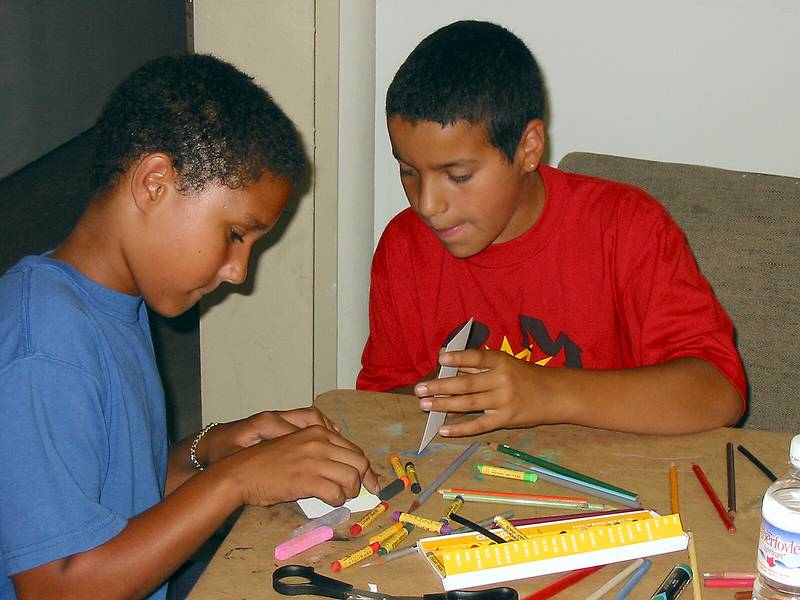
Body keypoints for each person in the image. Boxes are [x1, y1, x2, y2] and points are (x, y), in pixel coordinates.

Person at [0, 54, 378, 600]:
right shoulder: (45, 349)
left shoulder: (111, 303)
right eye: (234, 235)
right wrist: (236, 480)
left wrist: (216, 449)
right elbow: (57, 589)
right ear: (155, 183)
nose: (240, 272)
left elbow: (118, 490)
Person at [357, 20, 745, 436]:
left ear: (528, 148)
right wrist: (442, 397)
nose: (427, 204)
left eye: (458, 175)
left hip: (614, 490)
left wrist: (547, 392)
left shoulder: (626, 227)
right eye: (409, 170)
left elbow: (719, 391)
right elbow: (377, 406)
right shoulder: (404, 245)